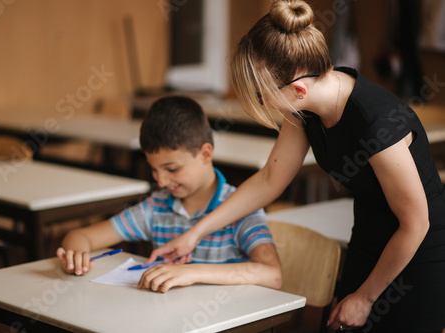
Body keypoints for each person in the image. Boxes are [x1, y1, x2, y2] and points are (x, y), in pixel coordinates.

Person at [146, 1, 445, 332]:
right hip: (369, 240)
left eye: (262, 96)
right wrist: (195, 233)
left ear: (298, 89)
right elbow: (270, 180)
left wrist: (365, 297)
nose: (264, 105)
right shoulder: (306, 106)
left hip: (417, 253)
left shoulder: (377, 124)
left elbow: (416, 224)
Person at [56, 96, 282, 293]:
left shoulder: (242, 207)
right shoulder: (157, 206)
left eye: (172, 169)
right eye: (154, 170)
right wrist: (77, 254)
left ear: (205, 154)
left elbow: (272, 275)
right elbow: (81, 236)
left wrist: (191, 273)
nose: (161, 181)